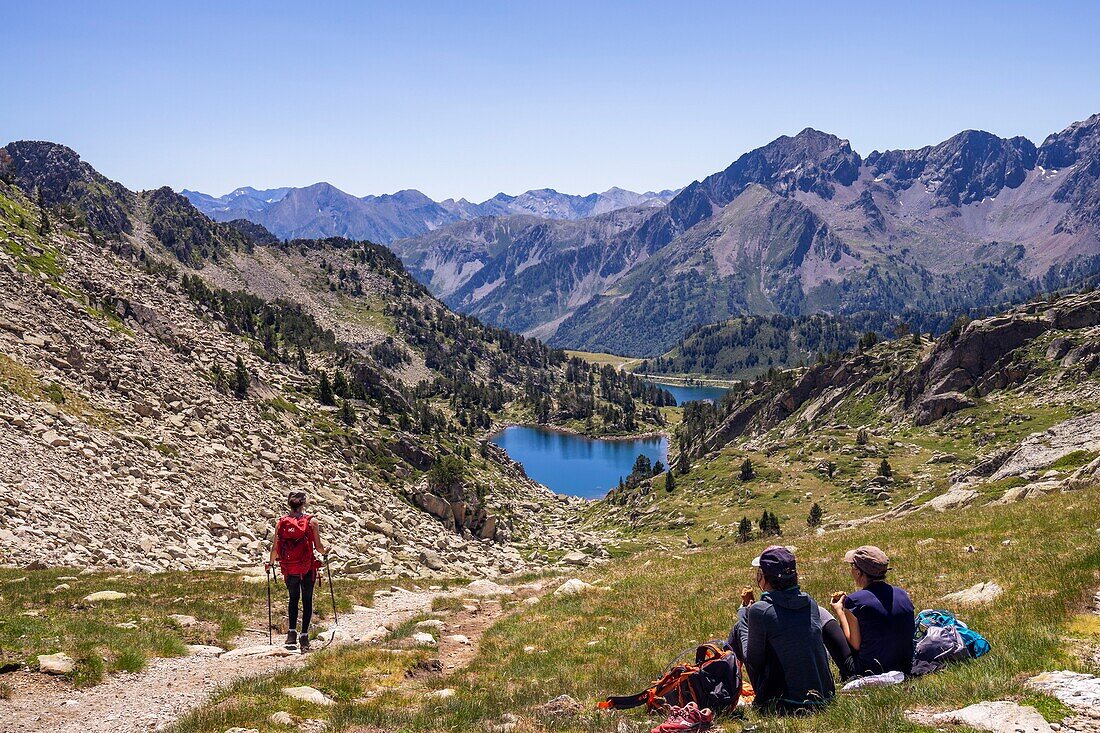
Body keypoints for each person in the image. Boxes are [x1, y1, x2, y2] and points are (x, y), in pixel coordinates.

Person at [727, 546, 835, 713]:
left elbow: (753, 660)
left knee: (739, 627)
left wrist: (743, 615)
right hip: (825, 696)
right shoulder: (810, 603)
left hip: (787, 703)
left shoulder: (761, 610)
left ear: (764, 577)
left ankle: (724, 690)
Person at [830, 545, 915, 677]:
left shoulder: (854, 601)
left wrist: (840, 612)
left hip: (870, 670)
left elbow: (855, 644)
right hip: (904, 665)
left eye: (852, 566)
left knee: (826, 623)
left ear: (859, 572)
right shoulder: (902, 594)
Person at [266, 490, 327, 652]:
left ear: (289, 504)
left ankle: (291, 634)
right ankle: (304, 637)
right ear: (303, 504)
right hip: (307, 567)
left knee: (293, 599)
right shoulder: (312, 522)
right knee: (307, 601)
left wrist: (270, 563)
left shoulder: (281, 523)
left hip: (289, 566)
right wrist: (325, 551)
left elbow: (275, 548)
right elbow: (319, 547)